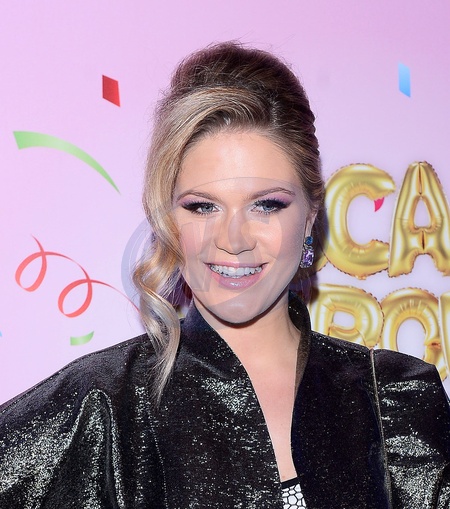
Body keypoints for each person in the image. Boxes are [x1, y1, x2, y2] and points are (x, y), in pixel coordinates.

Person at [0, 42, 449, 509]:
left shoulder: (394, 400)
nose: (234, 240)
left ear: (311, 215)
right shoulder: (102, 406)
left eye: (266, 205)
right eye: (203, 207)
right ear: (168, 218)